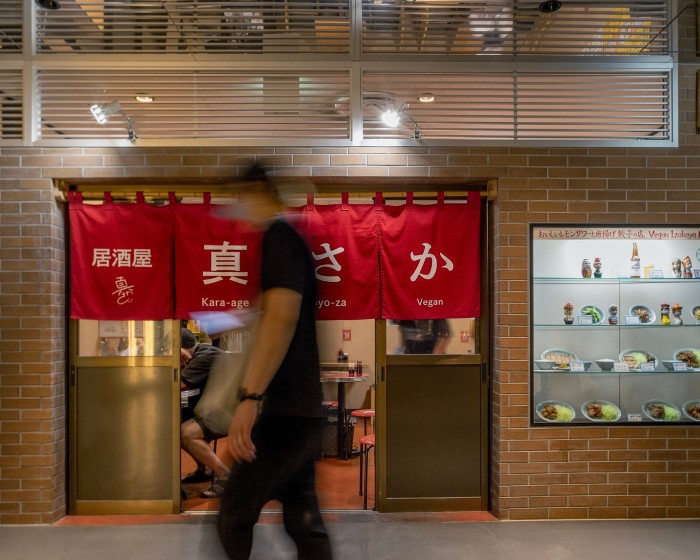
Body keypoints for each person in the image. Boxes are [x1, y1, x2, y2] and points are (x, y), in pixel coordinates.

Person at [216, 163, 333, 560]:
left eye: (240, 196)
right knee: (304, 521)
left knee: (233, 514)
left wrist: (249, 399)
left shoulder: (279, 237)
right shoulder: (290, 239)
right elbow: (276, 316)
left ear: (255, 191)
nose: (238, 208)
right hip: (301, 409)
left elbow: (282, 318)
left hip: (282, 412)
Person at [179, 327, 231, 498]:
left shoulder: (203, 356)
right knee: (178, 427)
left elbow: (180, 384)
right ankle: (205, 469)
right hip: (222, 405)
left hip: (232, 410)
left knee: (186, 433)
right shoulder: (203, 351)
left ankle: (225, 476)